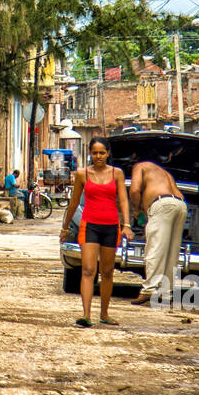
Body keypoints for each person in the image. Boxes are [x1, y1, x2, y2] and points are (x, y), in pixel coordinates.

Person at [60, 136, 132, 327]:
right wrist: (65, 227)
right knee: (88, 270)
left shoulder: (117, 173)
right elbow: (74, 202)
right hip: (89, 225)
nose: (98, 156)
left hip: (111, 226)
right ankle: (86, 315)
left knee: (107, 272)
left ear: (108, 153)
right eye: (94, 153)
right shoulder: (82, 174)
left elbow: (123, 200)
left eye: (102, 152)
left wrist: (126, 225)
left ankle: (105, 313)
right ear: (90, 154)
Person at [128, 159, 188, 306]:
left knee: (155, 248)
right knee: (171, 252)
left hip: (162, 205)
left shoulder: (140, 166)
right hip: (180, 205)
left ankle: (148, 289)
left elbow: (135, 190)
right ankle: (166, 292)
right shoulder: (164, 173)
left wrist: (137, 209)